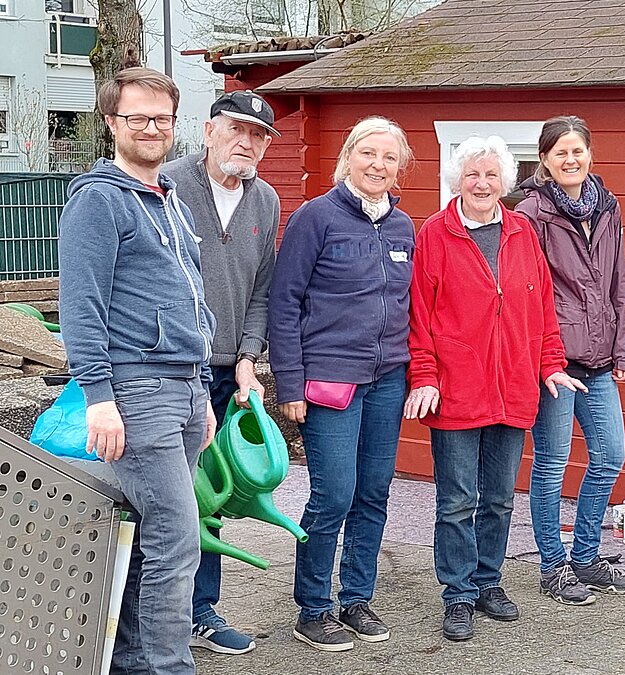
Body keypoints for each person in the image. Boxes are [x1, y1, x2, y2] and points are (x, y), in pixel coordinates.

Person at [58, 66, 216, 675]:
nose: (151, 128)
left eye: (162, 118)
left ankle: (130, 660)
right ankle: (168, 667)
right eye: (137, 118)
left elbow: (193, 304)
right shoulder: (99, 201)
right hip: (136, 391)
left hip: (181, 389)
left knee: (154, 538)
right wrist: (99, 395)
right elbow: (82, 304)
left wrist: (201, 391)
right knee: (177, 540)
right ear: (111, 124)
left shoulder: (170, 202)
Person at [403, 135, 585, 641]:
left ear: (504, 182)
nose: (481, 184)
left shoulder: (522, 231)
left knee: (501, 498)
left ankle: (489, 582)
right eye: (471, 175)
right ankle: (457, 594)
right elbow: (418, 317)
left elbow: (543, 310)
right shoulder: (434, 235)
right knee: (457, 500)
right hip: (457, 390)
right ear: (457, 181)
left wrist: (550, 365)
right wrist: (424, 376)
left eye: (490, 175)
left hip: (513, 387)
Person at [268, 117, 416, 651]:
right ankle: (313, 608)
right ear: (349, 156)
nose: (378, 166)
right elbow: (284, 304)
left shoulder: (403, 227)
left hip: (387, 379)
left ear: (400, 168)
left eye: (389, 158)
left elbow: (407, 307)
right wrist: (289, 383)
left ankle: (357, 598)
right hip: (329, 381)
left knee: (374, 493)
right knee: (333, 496)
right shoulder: (316, 217)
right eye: (368, 154)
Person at [163, 89, 280, 656]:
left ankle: (200, 612)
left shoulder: (266, 201)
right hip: (169, 371)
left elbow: (262, 289)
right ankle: (147, 615)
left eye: (258, 135)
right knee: (167, 496)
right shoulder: (167, 186)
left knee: (214, 495)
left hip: (230, 371)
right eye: (236, 128)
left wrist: (249, 359)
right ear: (208, 130)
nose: (247, 142)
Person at [514, 115, 625, 606]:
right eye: (560, 152)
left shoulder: (607, 207)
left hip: (599, 358)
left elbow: (615, 284)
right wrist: (545, 360)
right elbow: (528, 293)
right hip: (555, 363)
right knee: (551, 464)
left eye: (578, 150)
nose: (571, 159)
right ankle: (553, 565)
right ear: (545, 160)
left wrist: (623, 348)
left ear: (590, 154)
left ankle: (586, 556)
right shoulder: (531, 214)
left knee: (610, 456)